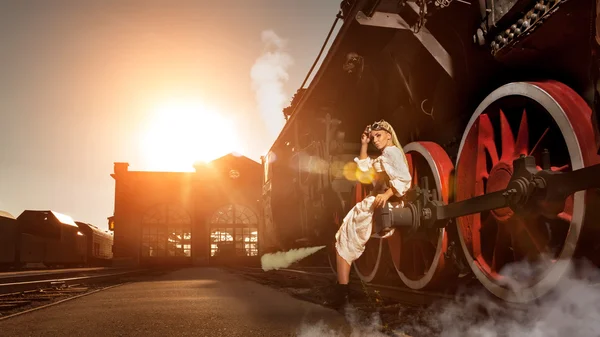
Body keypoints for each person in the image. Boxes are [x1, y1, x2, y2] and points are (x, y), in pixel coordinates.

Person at [326, 119, 412, 307]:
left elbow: (405, 179)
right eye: (373, 138)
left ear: (389, 135)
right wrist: (364, 144)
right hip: (376, 203)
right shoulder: (385, 155)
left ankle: (342, 294)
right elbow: (364, 170)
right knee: (343, 238)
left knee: (344, 239)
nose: (375, 140)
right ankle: (342, 292)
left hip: (380, 204)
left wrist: (387, 194)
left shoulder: (391, 152)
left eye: (378, 135)